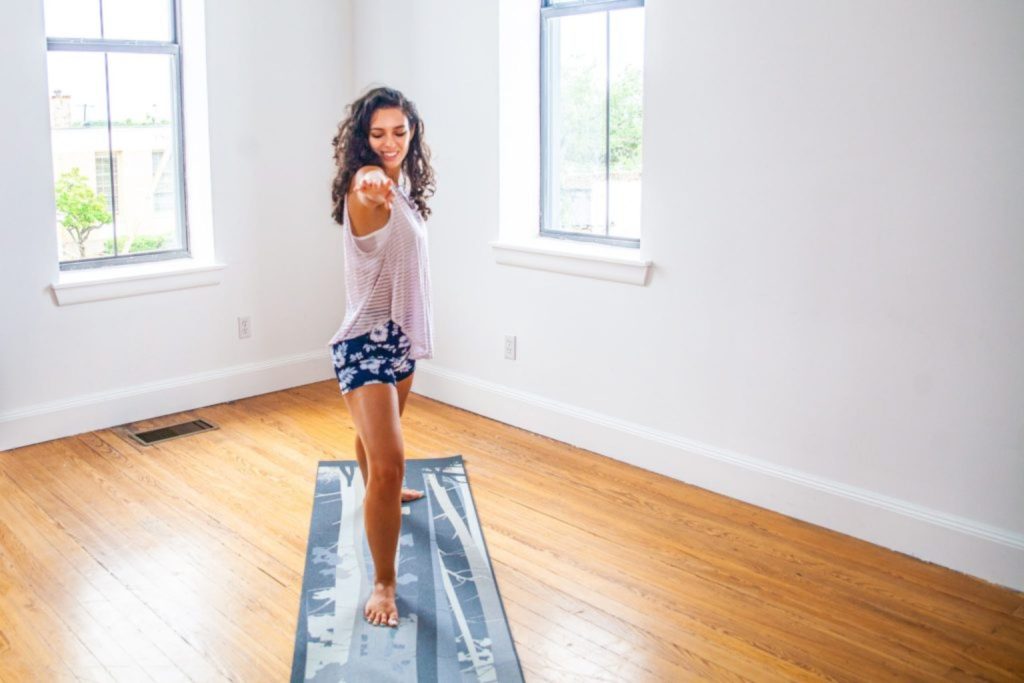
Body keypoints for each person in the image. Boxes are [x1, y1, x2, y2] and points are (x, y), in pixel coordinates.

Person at [327, 86, 436, 629]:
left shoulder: (407, 188)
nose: (389, 142)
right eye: (377, 134)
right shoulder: (366, 187)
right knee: (391, 463)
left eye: (398, 131)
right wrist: (370, 180)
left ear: (411, 131)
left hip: (399, 341)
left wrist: (388, 179)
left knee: (378, 449)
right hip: (363, 342)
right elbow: (367, 189)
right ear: (362, 141)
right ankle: (385, 584)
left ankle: (379, 488)